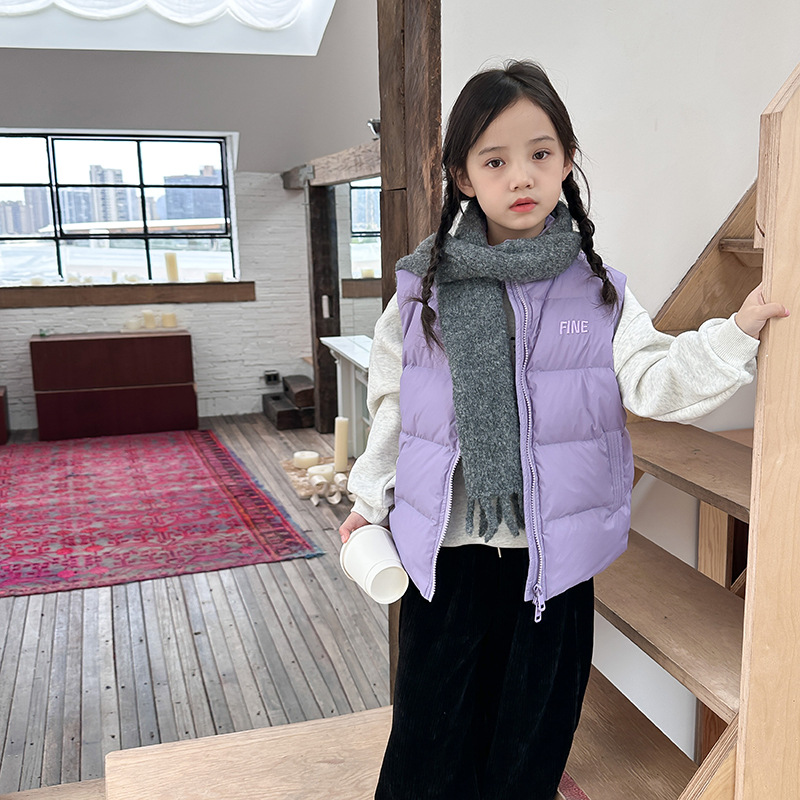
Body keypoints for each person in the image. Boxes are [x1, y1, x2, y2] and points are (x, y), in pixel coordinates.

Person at [339, 60, 788, 800]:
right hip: (444, 556)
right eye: (495, 160)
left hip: (552, 565)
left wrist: (734, 333)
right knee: (428, 741)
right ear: (462, 177)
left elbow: (653, 380)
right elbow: (395, 404)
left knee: (530, 743)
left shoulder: (597, 289)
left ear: (566, 161)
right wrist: (368, 499)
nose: (521, 176)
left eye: (540, 153)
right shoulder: (422, 292)